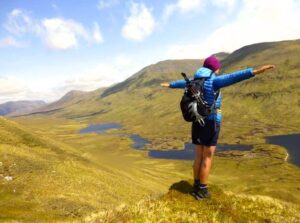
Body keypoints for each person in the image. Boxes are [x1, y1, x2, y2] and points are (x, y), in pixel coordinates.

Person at [160, 55, 275, 199]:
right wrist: (255, 71)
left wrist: (169, 84)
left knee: (198, 156)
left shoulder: (195, 81)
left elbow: (181, 83)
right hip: (211, 122)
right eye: (218, 67)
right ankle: (202, 191)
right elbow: (234, 77)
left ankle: (196, 185)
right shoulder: (214, 81)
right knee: (207, 157)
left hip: (197, 120)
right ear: (215, 68)